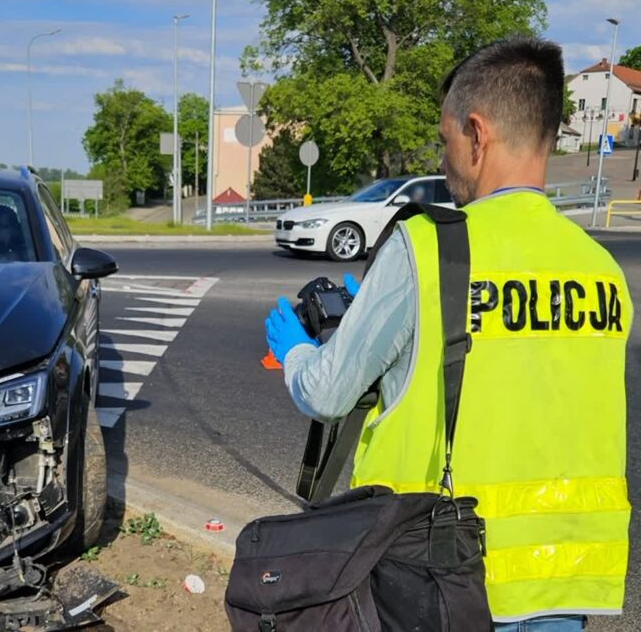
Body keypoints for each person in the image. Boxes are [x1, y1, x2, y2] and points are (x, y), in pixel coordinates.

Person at [265, 37, 632, 631]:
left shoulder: (427, 248)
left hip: (442, 581)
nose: (443, 159)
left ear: (477, 135)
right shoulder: (601, 269)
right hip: (566, 583)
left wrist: (299, 352)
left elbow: (328, 393)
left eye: (445, 140)